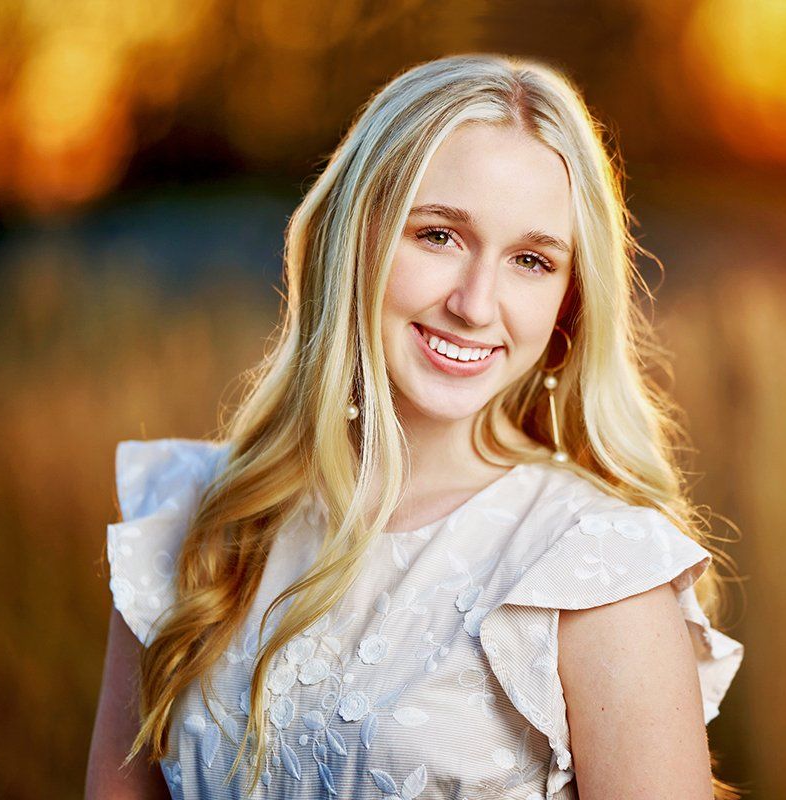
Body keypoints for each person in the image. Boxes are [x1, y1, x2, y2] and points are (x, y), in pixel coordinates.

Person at [86, 53, 744, 800]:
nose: (474, 303)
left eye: (531, 259)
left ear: (569, 301)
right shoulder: (191, 517)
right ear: (353, 238)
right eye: (439, 235)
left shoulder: (590, 570)